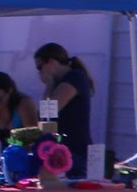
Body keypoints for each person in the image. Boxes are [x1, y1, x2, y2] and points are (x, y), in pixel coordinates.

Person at [33, 42, 93, 176]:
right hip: (60, 152)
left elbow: (48, 112)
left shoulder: (75, 77)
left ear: (51, 62)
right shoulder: (62, 81)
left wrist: (49, 84)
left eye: (40, 67)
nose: (40, 72)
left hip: (74, 152)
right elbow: (43, 119)